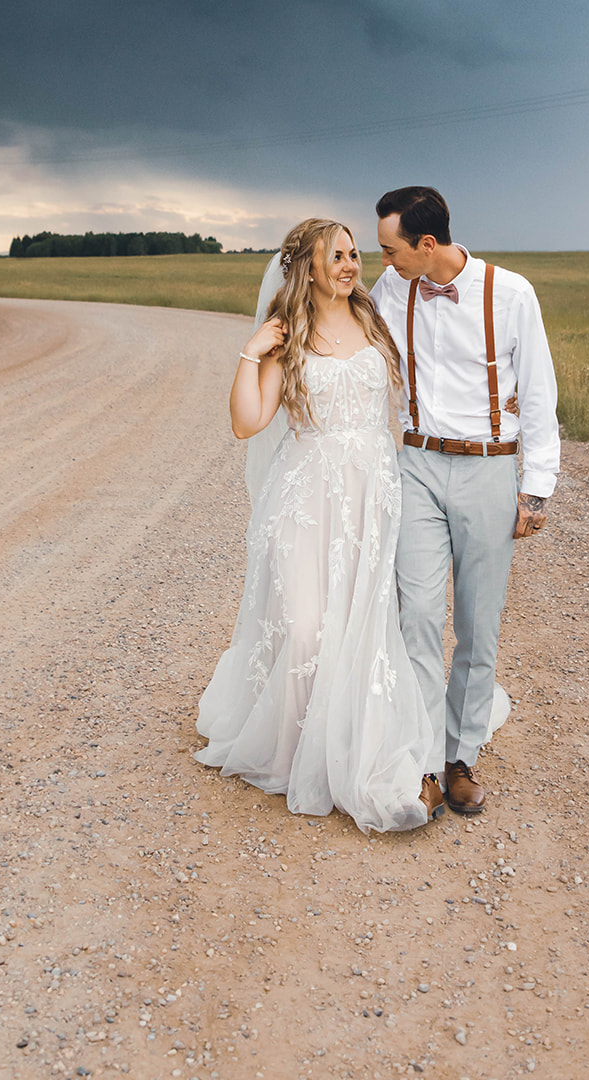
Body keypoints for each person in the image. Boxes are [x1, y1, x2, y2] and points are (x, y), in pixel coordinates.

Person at [194, 217, 441, 832]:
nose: (351, 264)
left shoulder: (374, 317)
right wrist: (250, 353)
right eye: (337, 256)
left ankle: (354, 748)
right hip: (305, 494)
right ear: (306, 266)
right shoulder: (289, 333)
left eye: (355, 254)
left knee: (361, 623)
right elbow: (247, 423)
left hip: (370, 492)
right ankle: (296, 751)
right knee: (305, 627)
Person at [371, 187, 560, 817]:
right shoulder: (390, 290)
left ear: (428, 244)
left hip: (489, 469)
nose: (385, 262)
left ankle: (461, 758)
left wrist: (536, 490)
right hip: (416, 464)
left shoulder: (512, 294)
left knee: (479, 624)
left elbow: (537, 394)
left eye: (392, 250)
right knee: (418, 616)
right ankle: (423, 761)